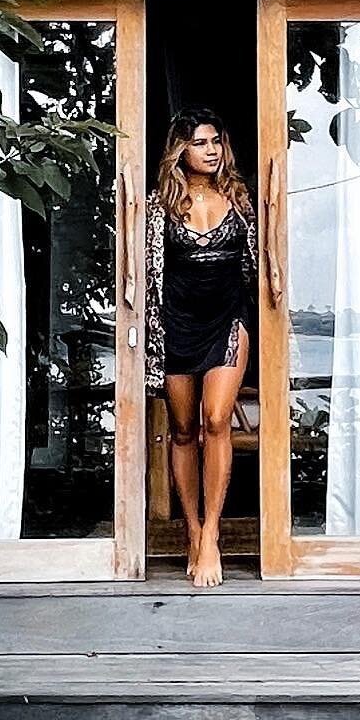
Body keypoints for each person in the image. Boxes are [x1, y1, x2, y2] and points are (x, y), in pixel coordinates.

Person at [145, 107, 257, 588]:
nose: (211, 151)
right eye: (200, 143)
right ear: (180, 151)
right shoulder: (158, 208)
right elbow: (144, 275)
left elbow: (259, 266)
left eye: (216, 141)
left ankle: (212, 532)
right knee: (184, 430)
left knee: (217, 419)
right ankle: (191, 529)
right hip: (176, 326)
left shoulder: (241, 200)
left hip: (228, 320)